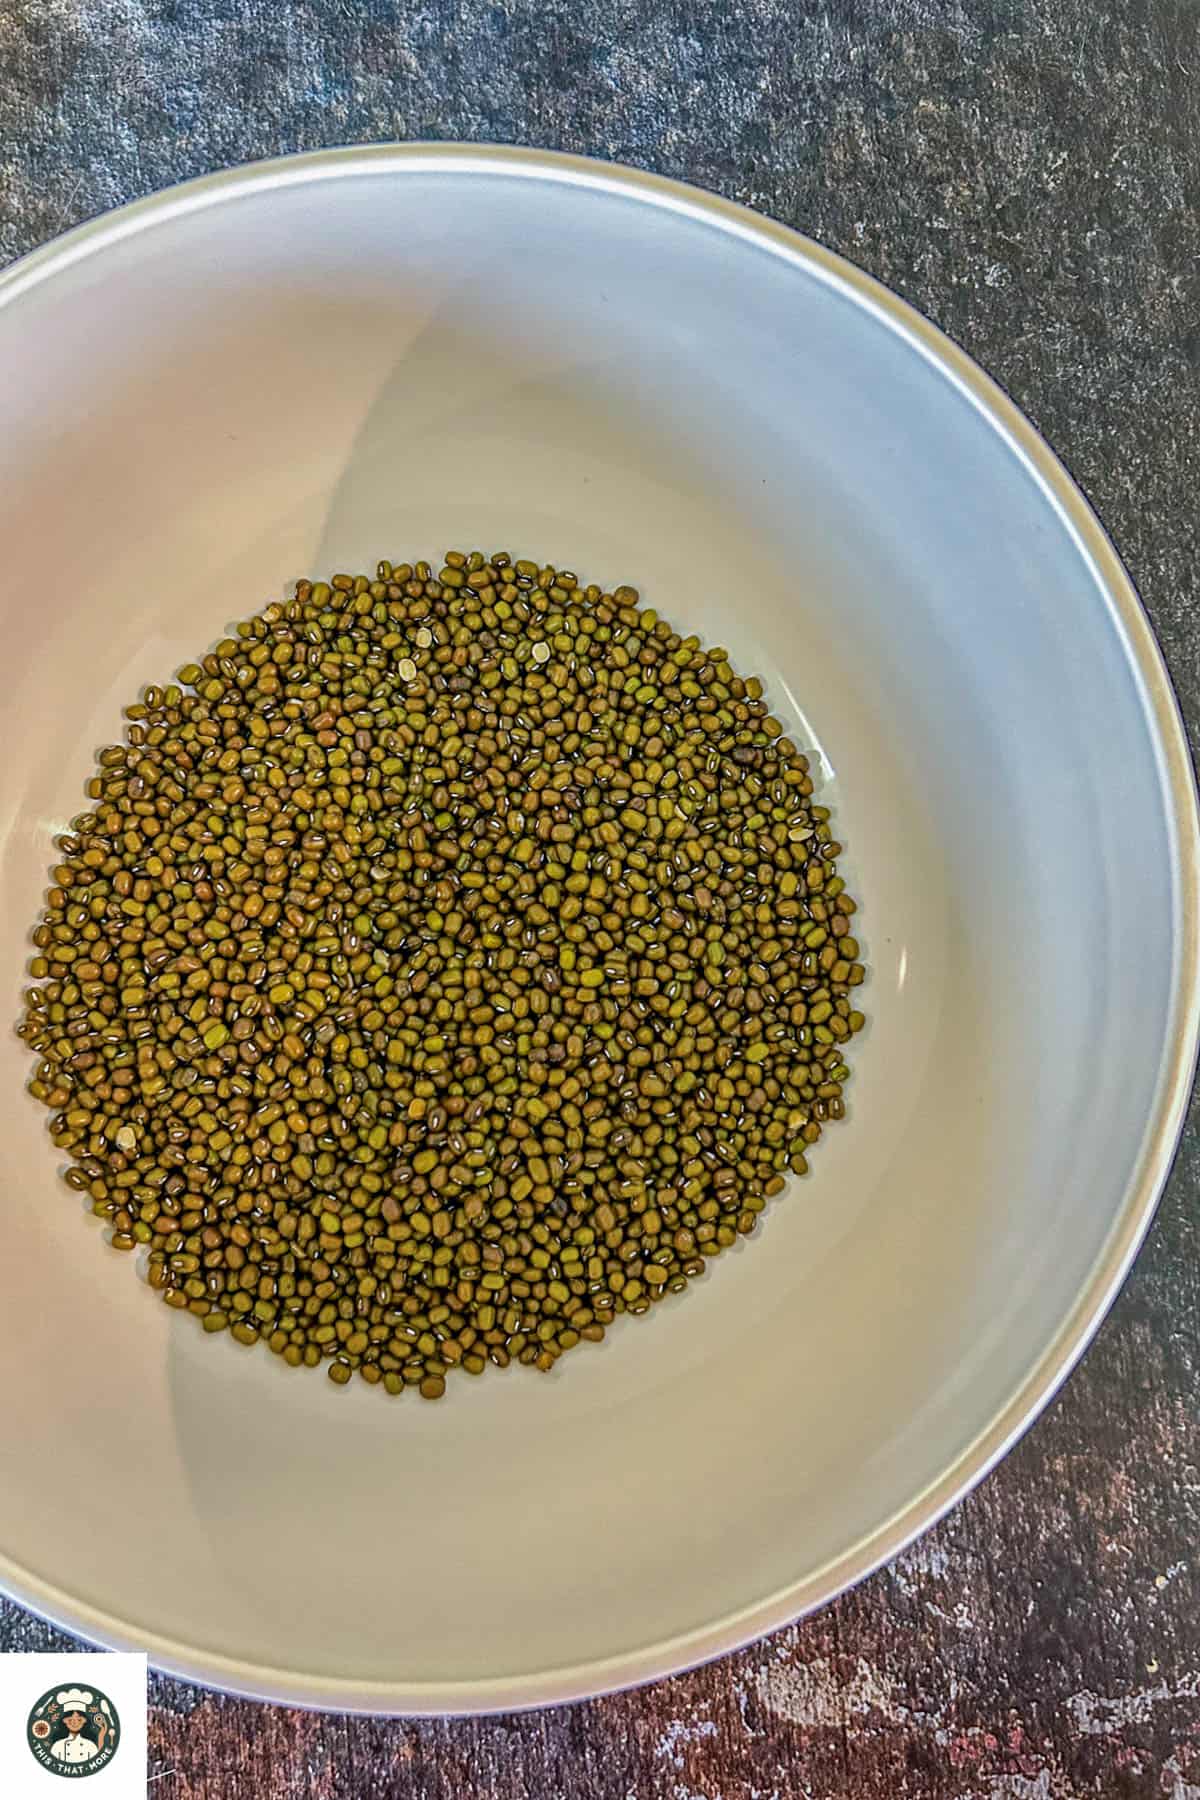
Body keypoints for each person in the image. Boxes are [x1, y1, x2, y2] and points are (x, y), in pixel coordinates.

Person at [50, 1688, 102, 1764]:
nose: (75, 1723)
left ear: (85, 1721)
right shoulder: (57, 1746)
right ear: (64, 1721)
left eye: (79, 1720)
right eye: (70, 1720)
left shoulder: (90, 1745)